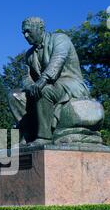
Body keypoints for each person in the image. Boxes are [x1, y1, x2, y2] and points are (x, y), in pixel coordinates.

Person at [8, 17, 90, 145]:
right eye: (23, 32)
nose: (25, 35)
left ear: (40, 29)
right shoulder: (29, 54)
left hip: (70, 84)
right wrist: (30, 86)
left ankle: (44, 137)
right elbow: (26, 76)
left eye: (28, 31)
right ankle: (28, 133)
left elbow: (58, 60)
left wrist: (42, 81)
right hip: (46, 85)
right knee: (15, 96)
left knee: (45, 90)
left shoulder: (60, 39)